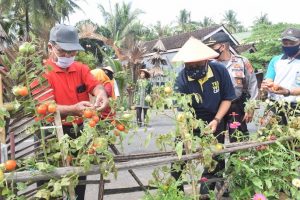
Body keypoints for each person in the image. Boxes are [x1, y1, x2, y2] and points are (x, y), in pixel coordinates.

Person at [43, 24, 109, 200]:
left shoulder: (81, 68)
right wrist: (73, 109)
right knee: (50, 183)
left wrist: (101, 94)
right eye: (63, 51)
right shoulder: (41, 73)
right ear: (50, 47)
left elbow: (96, 85)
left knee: (79, 178)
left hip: (77, 133)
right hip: (49, 134)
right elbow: (43, 108)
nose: (68, 56)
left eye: (72, 52)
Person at [172, 37, 236, 194]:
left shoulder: (219, 71)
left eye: (197, 64)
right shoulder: (181, 79)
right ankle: (175, 193)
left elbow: (227, 98)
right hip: (190, 121)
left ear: (207, 60)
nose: (193, 67)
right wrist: (186, 132)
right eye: (189, 65)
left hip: (216, 119)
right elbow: (180, 110)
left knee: (214, 159)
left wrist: (216, 120)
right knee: (179, 159)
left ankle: (205, 193)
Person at [207, 32, 259, 141]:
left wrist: (251, 107)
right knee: (215, 139)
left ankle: (238, 157)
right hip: (216, 107)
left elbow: (252, 85)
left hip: (236, 105)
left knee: (238, 138)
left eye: (213, 47)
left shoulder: (242, 61)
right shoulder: (209, 64)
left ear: (223, 46)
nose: (211, 50)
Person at [261, 27, 300, 124]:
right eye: (285, 43)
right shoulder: (276, 60)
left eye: (292, 44)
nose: (288, 46)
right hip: (274, 104)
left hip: (296, 107)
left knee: (294, 137)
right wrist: (267, 85)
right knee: (266, 133)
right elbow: (269, 78)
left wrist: (287, 91)